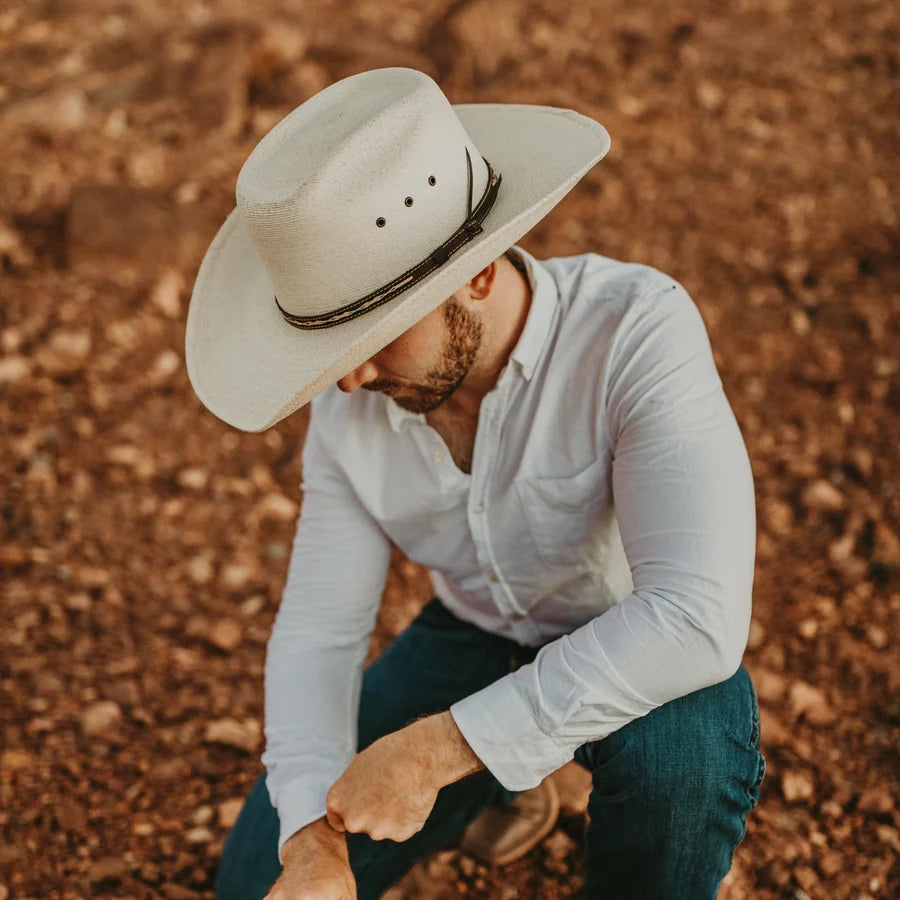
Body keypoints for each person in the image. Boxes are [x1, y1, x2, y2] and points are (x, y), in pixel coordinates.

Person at [185, 67, 765, 900]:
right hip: (474, 637)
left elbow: (696, 618)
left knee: (683, 769)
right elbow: (319, 632)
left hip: (639, 641)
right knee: (256, 885)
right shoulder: (352, 402)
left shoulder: (637, 330)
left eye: (377, 336)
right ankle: (523, 778)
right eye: (334, 351)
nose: (350, 381)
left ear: (480, 274)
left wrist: (435, 752)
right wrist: (311, 836)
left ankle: (528, 774)